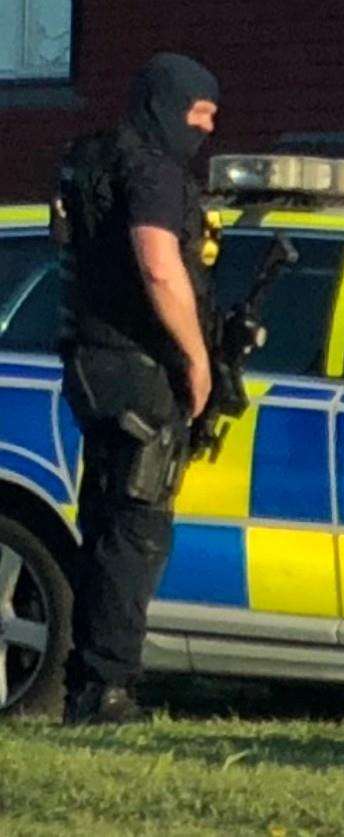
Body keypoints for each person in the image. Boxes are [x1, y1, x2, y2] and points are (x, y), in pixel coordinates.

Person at [55, 53, 219, 724]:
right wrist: (197, 357)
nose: (209, 128)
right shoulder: (152, 168)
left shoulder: (89, 160)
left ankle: (84, 682)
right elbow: (157, 264)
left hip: (90, 361)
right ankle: (106, 688)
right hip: (139, 368)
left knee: (104, 520)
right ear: (169, 103)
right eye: (201, 113)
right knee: (137, 527)